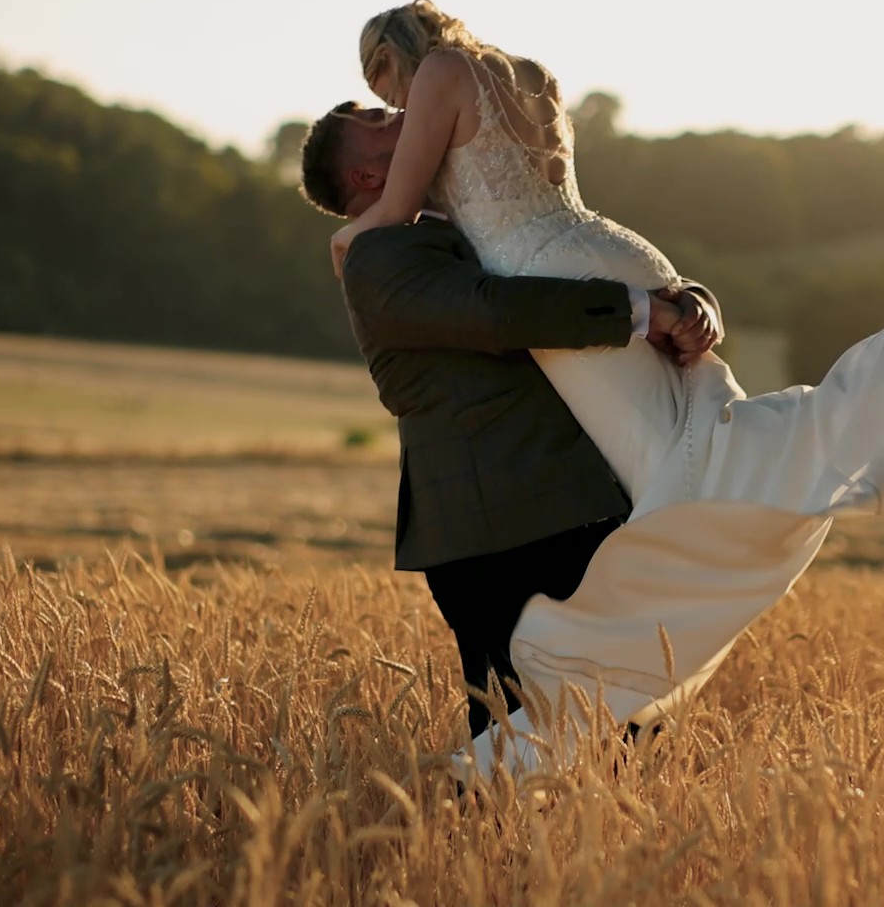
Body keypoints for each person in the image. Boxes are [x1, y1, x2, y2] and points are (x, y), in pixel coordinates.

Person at [316, 0, 884, 779]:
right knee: (713, 427)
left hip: (561, 287)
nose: (394, 106)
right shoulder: (528, 76)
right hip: (613, 250)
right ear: (361, 169)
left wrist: (347, 234)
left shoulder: (433, 100)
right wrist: (676, 299)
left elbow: (420, 233)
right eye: (378, 107)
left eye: (380, 86)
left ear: (398, 55)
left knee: (680, 472)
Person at [301, 105, 724, 746]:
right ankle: (496, 847)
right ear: (364, 174)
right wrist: (643, 312)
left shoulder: (469, 214)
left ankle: (606, 843)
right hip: (495, 526)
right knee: (518, 728)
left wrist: (689, 301)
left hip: (571, 502)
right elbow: (493, 313)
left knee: (627, 715)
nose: (408, 116)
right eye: (383, 121)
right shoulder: (375, 257)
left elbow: (568, 261)